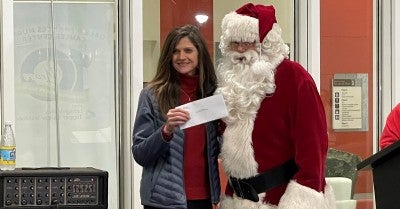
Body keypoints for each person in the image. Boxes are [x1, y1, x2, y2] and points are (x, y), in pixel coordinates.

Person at [215, 3, 336, 209]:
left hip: (278, 201)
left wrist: (301, 199)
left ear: (267, 43)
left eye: (249, 41)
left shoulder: (294, 77)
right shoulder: (231, 84)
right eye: (235, 42)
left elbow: (313, 145)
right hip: (236, 199)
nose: (241, 49)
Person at [132, 24, 221, 209]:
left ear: (199, 53)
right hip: (162, 201)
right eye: (175, 51)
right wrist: (166, 130)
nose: (181, 57)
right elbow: (140, 153)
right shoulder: (152, 94)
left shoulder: (213, 95)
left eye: (188, 50)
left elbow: (221, 150)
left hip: (204, 199)